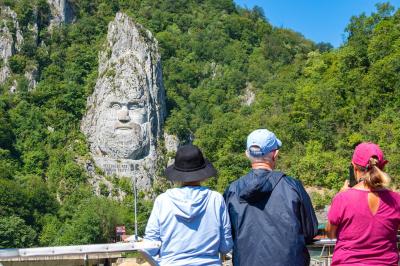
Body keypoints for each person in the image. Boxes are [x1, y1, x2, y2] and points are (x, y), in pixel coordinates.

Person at [224, 129, 318, 266]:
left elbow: (228, 236)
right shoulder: (292, 186)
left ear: (247, 154)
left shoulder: (232, 190)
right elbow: (310, 231)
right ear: (275, 154)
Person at [144, 144, 233, 265]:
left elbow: (150, 246)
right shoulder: (216, 199)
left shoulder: (162, 201)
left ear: (177, 174)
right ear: (203, 173)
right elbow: (226, 246)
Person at [326, 142, 400, 265]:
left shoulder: (342, 198)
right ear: (383, 167)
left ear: (354, 167)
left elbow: (330, 233)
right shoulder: (395, 200)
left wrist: (338, 197)